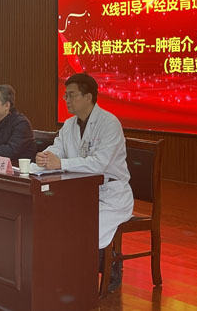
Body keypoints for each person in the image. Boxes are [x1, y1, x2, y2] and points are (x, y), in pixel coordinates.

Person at [36, 72, 133, 293]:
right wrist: (46, 156)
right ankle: (65, 275)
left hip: (110, 194)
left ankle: (104, 268)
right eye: (65, 96)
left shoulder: (109, 123)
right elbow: (57, 148)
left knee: (84, 229)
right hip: (79, 193)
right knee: (55, 220)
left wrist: (60, 162)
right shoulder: (70, 124)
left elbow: (99, 164)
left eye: (71, 95)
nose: (67, 100)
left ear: (88, 97)